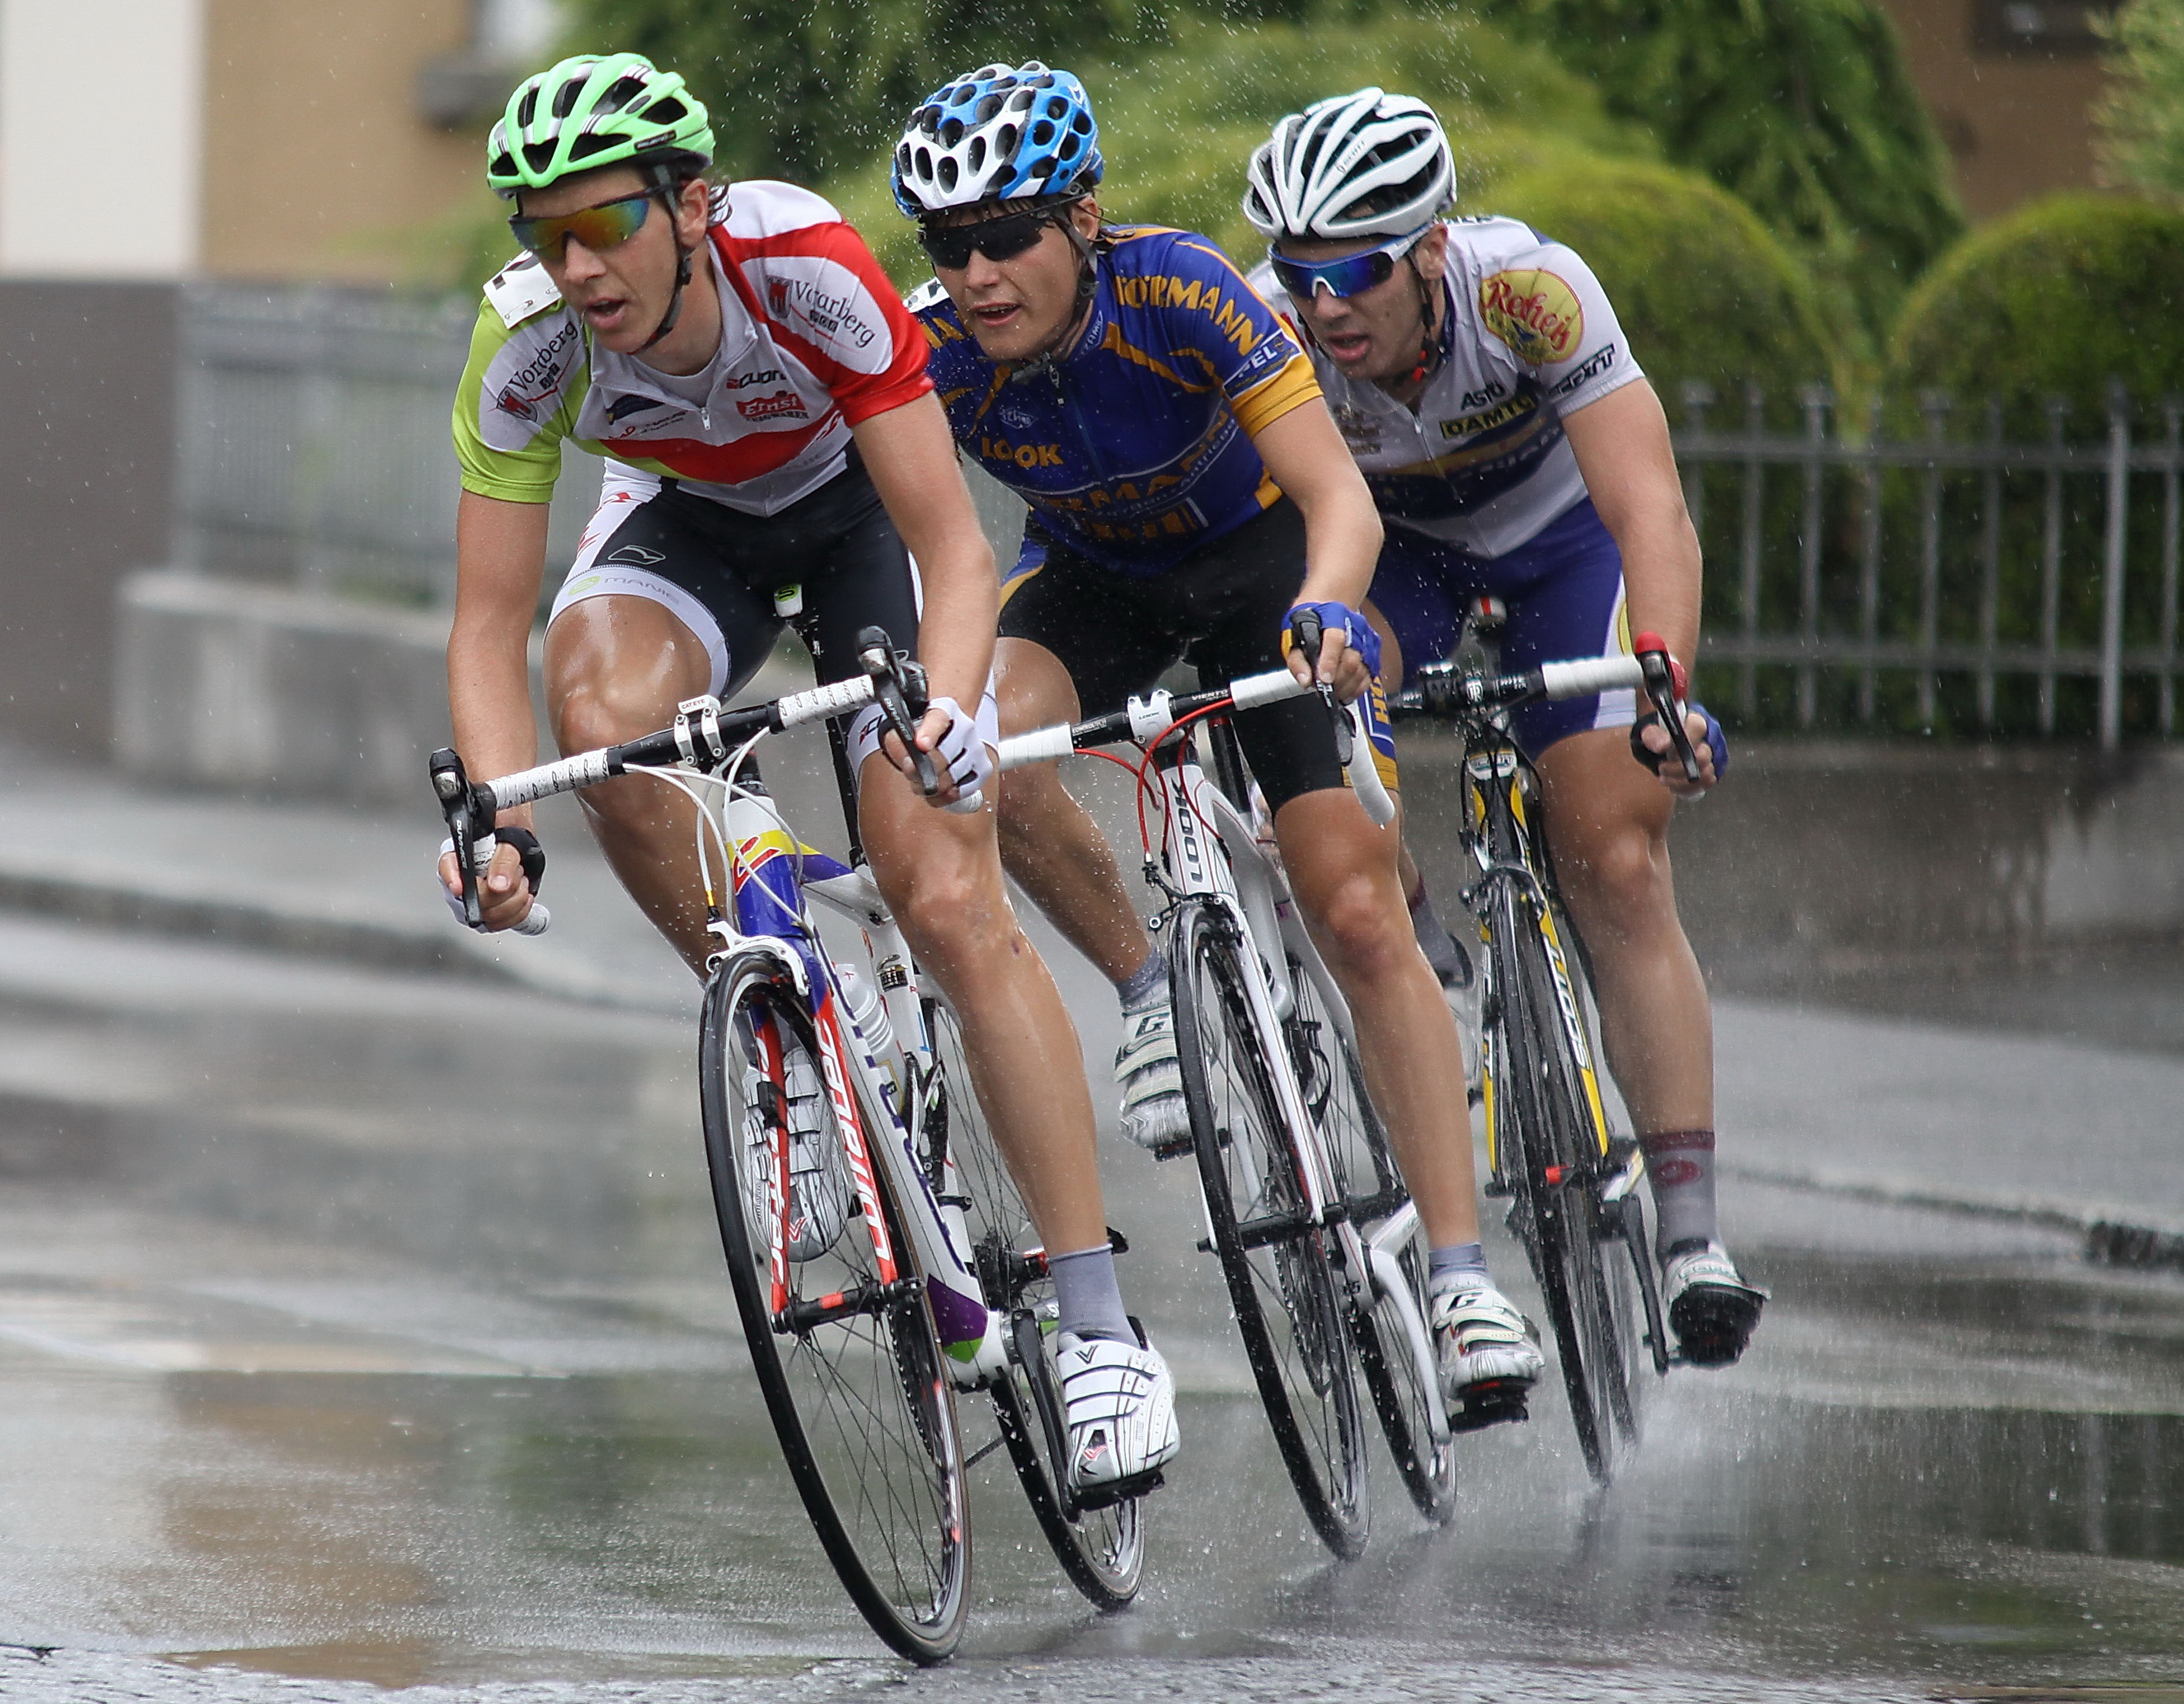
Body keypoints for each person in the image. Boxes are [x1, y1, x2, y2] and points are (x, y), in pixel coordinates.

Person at [441, 51, 1177, 1497]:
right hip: (686, 527)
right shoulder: (524, 340)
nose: (577, 267)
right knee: (597, 717)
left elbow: (953, 544)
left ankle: (1099, 1327)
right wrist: (498, 819)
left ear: (691, 205)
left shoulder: (805, 265)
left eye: (606, 224)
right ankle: (786, 1041)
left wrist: (949, 716)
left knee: (942, 888)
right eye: (546, 234)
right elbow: (485, 624)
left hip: (857, 520)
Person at [891, 61, 1548, 1428]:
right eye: (948, 245)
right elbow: (901, 534)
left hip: (1264, 568)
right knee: (980, 745)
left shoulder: (1183, 288)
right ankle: (1148, 990)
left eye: (1005, 234)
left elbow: (1336, 495)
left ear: (1082, 219)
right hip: (1098, 583)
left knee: (1351, 909)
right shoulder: (935, 349)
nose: (977, 273)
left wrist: (1331, 605)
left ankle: (1463, 1277)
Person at [1240, 88, 1766, 1367]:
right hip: (1397, 561)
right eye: (1302, 274)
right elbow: (1274, 549)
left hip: (1559, 549)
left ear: (1430, 249)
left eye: (1356, 272)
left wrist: (1665, 684)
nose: (1325, 304)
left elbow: (1648, 506)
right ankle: (1421, 934)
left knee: (1613, 852)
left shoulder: (1533, 295)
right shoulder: (1265, 326)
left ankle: (1692, 1231)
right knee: (1304, 739)